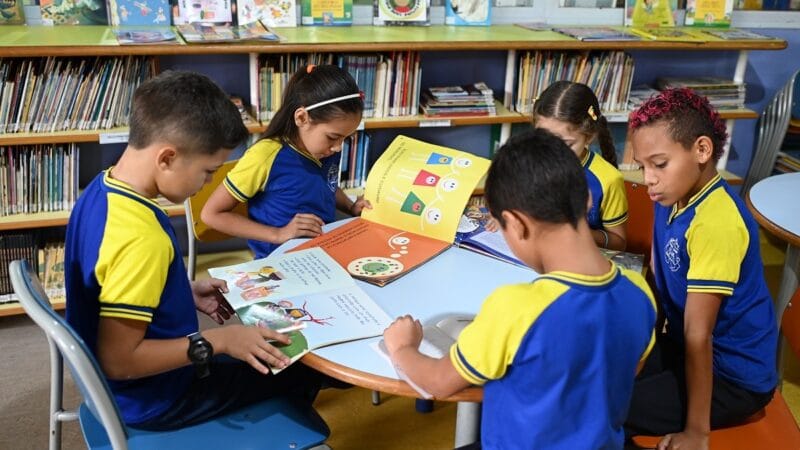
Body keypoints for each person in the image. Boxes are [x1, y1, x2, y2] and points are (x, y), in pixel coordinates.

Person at [64, 71, 329, 433]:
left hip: (128, 388)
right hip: (157, 397)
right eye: (208, 171)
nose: (207, 183)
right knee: (301, 364)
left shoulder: (101, 189)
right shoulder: (142, 239)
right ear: (168, 157)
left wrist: (179, 292)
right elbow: (119, 360)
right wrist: (219, 341)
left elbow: (107, 284)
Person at [383, 128, 657, 449]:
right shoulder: (640, 292)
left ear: (516, 224)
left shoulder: (516, 308)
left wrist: (402, 348)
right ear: (587, 199)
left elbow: (440, 382)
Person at [624, 88, 778, 449]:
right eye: (643, 166)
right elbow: (660, 280)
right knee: (595, 376)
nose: (648, 178)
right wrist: (638, 346)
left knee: (602, 408)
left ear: (702, 150)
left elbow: (699, 335)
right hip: (682, 347)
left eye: (659, 164)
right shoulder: (672, 194)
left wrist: (697, 432)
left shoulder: (715, 222)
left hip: (733, 377)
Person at [201, 64, 370, 258]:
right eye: (333, 137)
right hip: (278, 264)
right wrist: (278, 234)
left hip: (321, 253)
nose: (339, 147)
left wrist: (350, 206)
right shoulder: (265, 156)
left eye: (345, 138)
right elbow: (211, 214)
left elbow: (325, 185)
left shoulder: (326, 150)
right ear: (301, 117)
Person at [531, 80, 628, 251]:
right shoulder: (532, 159)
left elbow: (619, 242)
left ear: (589, 137)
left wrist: (574, 230)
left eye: (567, 144)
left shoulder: (608, 180)